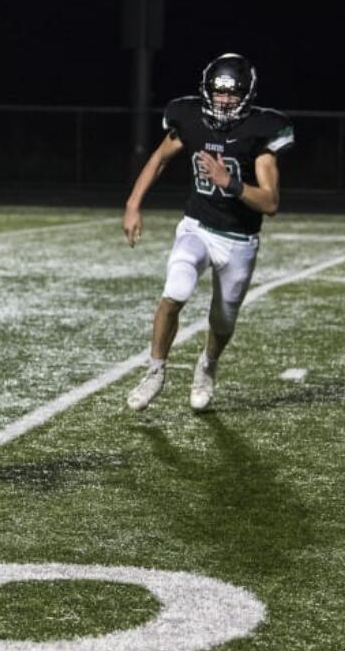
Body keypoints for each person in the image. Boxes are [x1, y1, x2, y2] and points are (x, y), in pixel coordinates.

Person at [122, 53, 293, 412]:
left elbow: (270, 202)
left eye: (232, 94)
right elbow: (159, 158)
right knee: (175, 291)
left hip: (238, 240)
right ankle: (155, 370)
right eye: (218, 92)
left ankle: (208, 365)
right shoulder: (190, 119)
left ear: (247, 95)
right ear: (206, 90)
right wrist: (133, 205)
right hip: (197, 227)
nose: (224, 100)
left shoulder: (259, 133)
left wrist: (229, 182)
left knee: (223, 318)